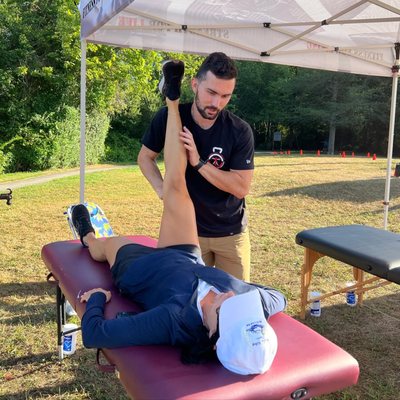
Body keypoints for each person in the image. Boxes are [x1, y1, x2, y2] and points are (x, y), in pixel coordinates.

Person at [72, 60, 286, 375]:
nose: (231, 295)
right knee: (176, 186)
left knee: (107, 244)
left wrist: (97, 300)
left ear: (212, 335)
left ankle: (86, 234)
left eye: (230, 308)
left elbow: (95, 335)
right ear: (196, 86)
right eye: (212, 92)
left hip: (141, 271)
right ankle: (171, 101)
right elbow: (277, 297)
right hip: (188, 253)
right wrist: (249, 302)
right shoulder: (247, 303)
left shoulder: (174, 319)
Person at [138, 52, 254, 281]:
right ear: (194, 85)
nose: (216, 103)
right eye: (211, 92)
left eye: (225, 96)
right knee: (185, 299)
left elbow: (241, 187)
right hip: (187, 231)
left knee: (235, 303)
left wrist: (199, 163)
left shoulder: (239, 130)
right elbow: (145, 158)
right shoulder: (170, 117)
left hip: (230, 234)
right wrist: (163, 191)